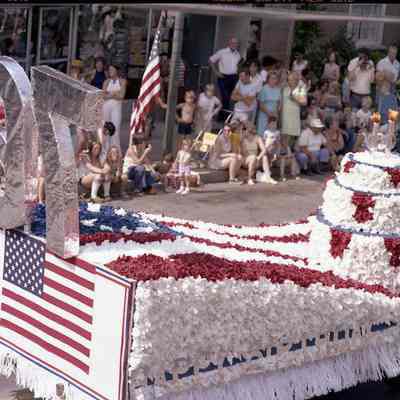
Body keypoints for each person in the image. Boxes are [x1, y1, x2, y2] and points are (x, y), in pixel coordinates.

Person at [209, 38, 242, 120]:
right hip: (223, 77)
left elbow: (238, 67)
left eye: (236, 43)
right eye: (233, 43)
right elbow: (210, 60)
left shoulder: (238, 54)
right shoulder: (222, 52)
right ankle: (224, 117)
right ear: (229, 43)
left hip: (234, 77)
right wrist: (216, 72)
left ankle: (222, 117)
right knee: (225, 97)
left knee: (230, 98)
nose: (235, 45)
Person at [102, 64, 127, 150]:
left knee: (115, 129)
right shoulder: (106, 82)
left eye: (112, 69)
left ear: (116, 70)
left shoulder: (122, 81)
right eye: (109, 70)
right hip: (106, 107)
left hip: (116, 108)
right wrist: (114, 93)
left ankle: (115, 150)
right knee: (105, 128)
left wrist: (109, 93)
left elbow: (121, 95)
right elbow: (103, 96)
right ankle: (105, 150)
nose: (110, 71)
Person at [281, 72, 307, 149]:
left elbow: (304, 102)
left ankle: (289, 153)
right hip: (285, 117)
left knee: (292, 138)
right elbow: (281, 103)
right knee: (284, 138)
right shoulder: (285, 89)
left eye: (291, 80)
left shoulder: (300, 89)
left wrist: (295, 99)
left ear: (296, 80)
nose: (290, 81)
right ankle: (286, 154)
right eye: (288, 80)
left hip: (294, 117)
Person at [256, 72, 281, 137]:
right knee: (262, 134)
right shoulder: (264, 89)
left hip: (274, 116)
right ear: (268, 79)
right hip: (264, 115)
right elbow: (260, 105)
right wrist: (269, 113)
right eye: (272, 78)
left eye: (275, 78)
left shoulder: (278, 89)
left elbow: (278, 103)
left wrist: (276, 112)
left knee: (272, 135)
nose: (273, 80)